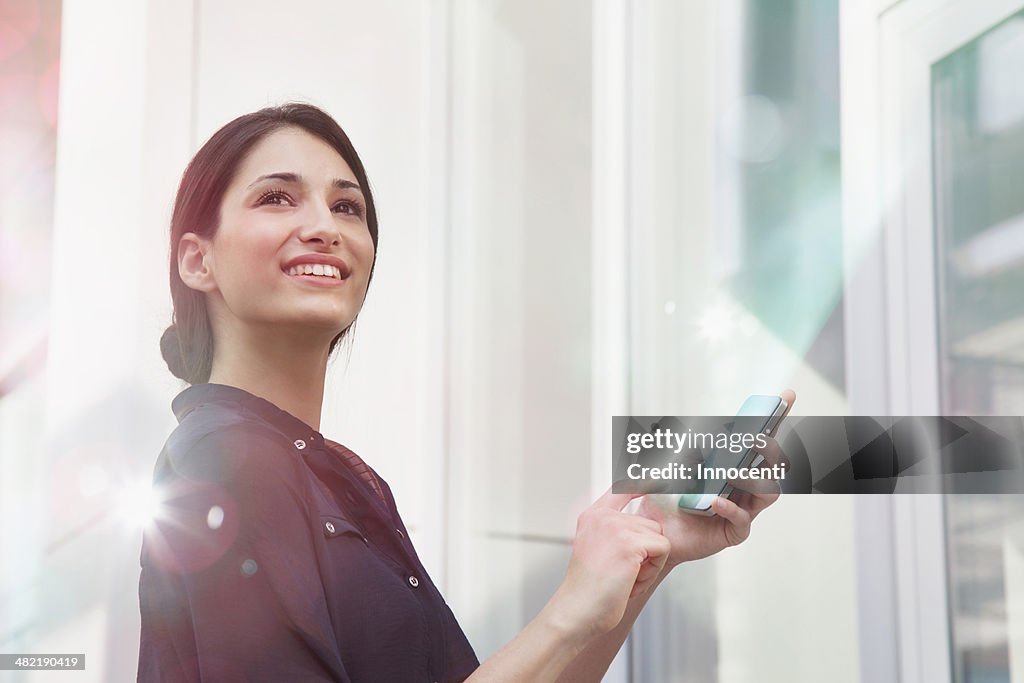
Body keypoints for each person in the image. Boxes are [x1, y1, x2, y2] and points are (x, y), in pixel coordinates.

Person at [137, 101, 793, 682]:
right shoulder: (230, 458)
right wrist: (569, 609)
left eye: (347, 206)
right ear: (197, 260)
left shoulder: (337, 478)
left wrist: (654, 548)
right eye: (277, 197)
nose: (324, 226)